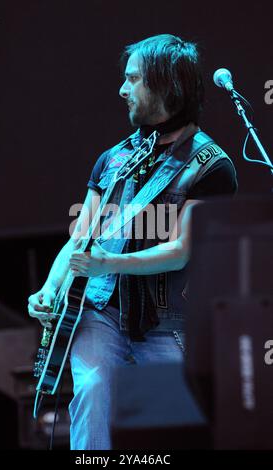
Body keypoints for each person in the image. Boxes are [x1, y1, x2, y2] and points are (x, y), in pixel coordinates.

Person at [28, 34, 238, 450]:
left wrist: (109, 262)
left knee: (177, 425)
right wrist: (49, 289)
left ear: (166, 85)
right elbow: (82, 238)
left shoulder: (210, 165)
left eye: (133, 79)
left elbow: (180, 253)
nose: (122, 90)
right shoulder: (113, 159)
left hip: (168, 321)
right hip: (101, 310)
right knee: (92, 395)